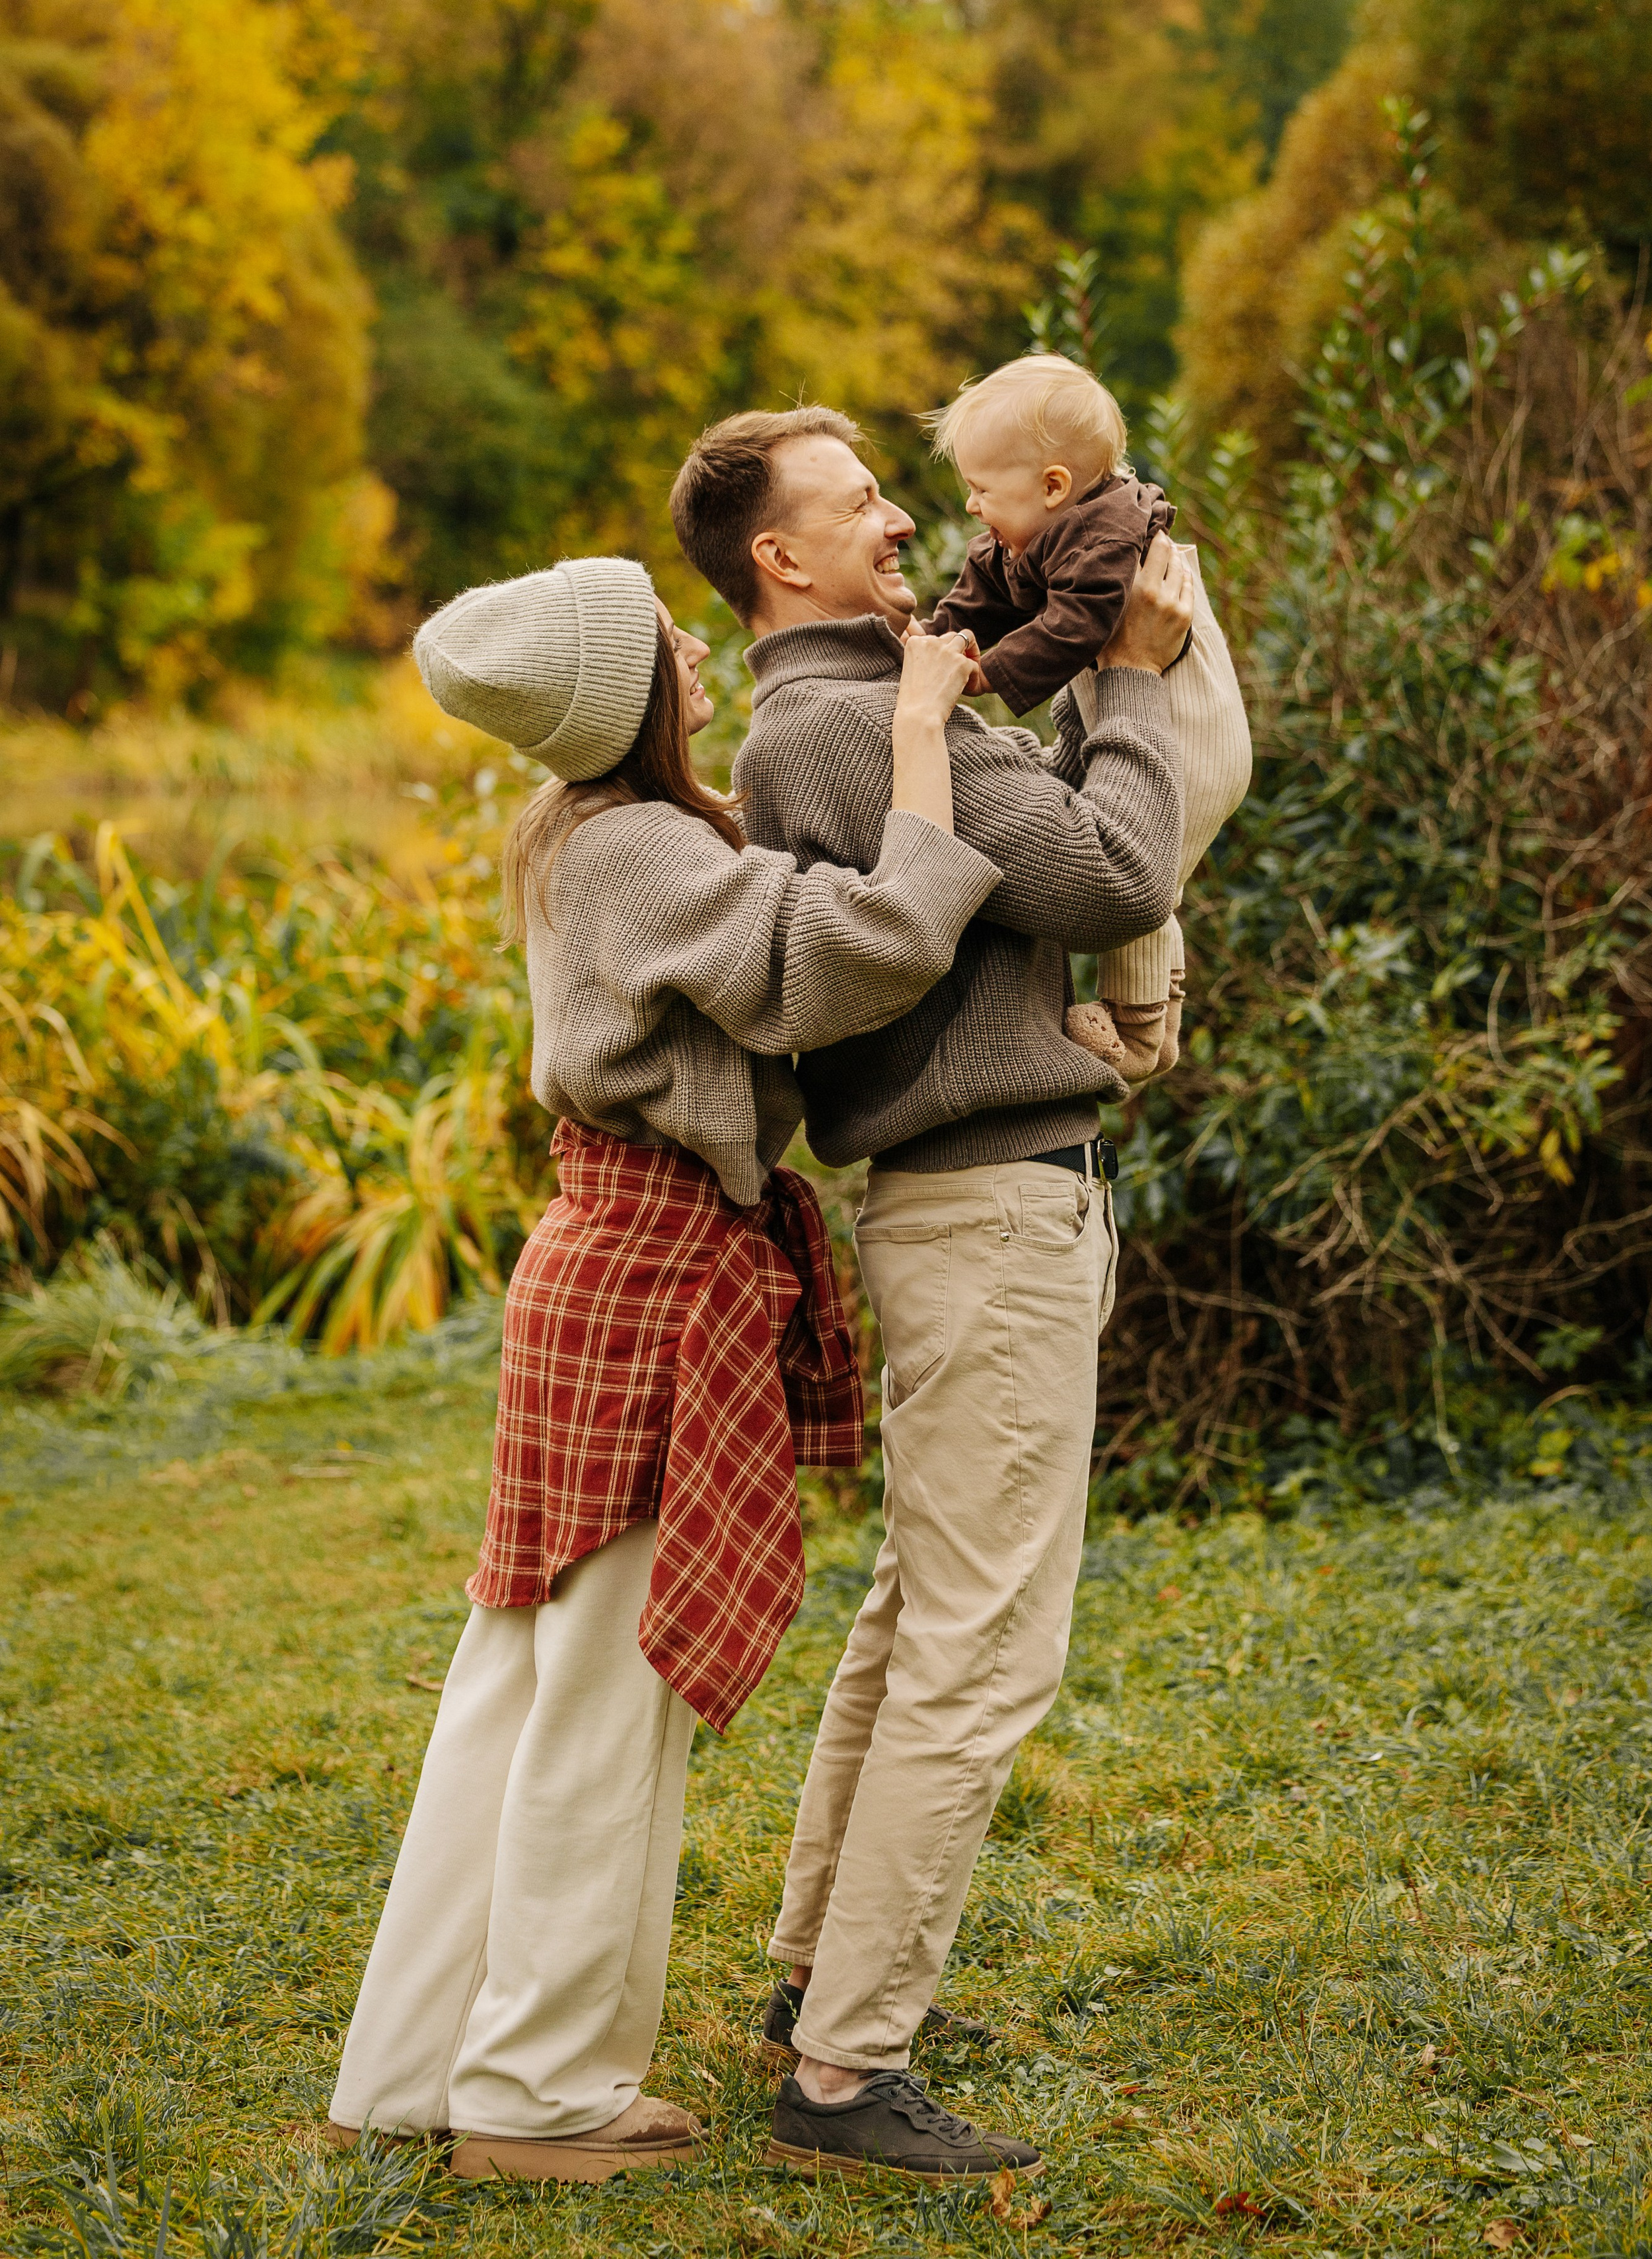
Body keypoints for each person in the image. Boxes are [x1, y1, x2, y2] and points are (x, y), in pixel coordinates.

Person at [326, 554, 1011, 2186]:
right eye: (660, 641)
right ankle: (536, 2095)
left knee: (529, 1682)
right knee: (599, 1708)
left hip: (604, 1263)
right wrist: (919, 732)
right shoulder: (635, 844)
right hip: (648, 1278)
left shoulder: (589, 835)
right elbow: (867, 943)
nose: (694, 652)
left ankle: (423, 2064)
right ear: (617, 696)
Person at [667, 408, 1192, 2180]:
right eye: (858, 504)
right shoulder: (851, 722)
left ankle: (822, 1986)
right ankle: (842, 2077)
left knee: (917, 1622)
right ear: (778, 562)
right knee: (982, 1653)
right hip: (988, 1219)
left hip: (959, 1214)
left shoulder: (853, 714)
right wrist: (1128, 687)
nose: (901, 519)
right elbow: (1120, 871)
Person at [925, 352, 1253, 1082]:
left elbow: (1075, 627)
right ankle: (1159, 1021)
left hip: (1190, 729)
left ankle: (1136, 1038)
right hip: (1141, 718)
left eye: (981, 490)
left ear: (1052, 487)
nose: (973, 506)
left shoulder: (1107, 537)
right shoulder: (1044, 529)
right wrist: (935, 636)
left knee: (1143, 872)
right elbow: (987, 584)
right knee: (1143, 862)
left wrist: (989, 673)